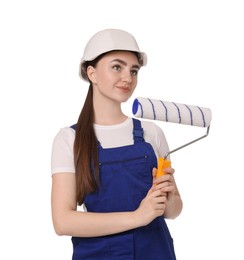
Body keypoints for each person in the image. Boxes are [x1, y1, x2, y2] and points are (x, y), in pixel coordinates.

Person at [51, 28, 183, 260]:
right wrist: (137, 216)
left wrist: (169, 197)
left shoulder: (152, 133)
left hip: (156, 252)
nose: (128, 78)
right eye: (117, 67)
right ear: (91, 73)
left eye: (134, 70)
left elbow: (174, 211)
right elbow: (63, 221)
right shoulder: (69, 139)